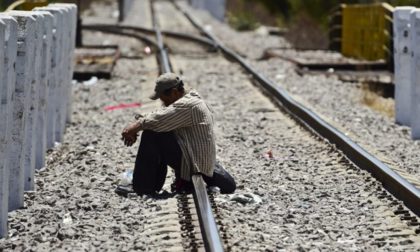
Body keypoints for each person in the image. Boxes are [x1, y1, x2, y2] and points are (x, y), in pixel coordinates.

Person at [119, 72, 236, 195]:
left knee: (151, 134)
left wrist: (134, 127)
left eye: (164, 98)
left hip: (195, 164)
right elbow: (162, 114)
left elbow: (158, 120)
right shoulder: (192, 97)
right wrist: (139, 123)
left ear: (175, 92)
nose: (163, 102)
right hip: (199, 158)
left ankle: (142, 188)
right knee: (157, 128)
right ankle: (153, 184)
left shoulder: (187, 105)